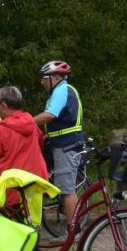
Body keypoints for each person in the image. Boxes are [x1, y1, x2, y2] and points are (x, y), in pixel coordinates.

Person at [0, 86, 49, 212]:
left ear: (4, 106)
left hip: (9, 191)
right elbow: (40, 143)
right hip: (33, 186)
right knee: (32, 222)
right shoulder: (32, 125)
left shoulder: (1, 130)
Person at [33, 60, 84, 226]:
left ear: (55, 77)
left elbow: (50, 115)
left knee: (67, 191)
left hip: (66, 145)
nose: (42, 82)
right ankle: (74, 230)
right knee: (65, 188)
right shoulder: (61, 90)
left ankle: (73, 232)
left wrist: (25, 122)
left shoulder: (62, 90)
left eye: (44, 78)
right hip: (63, 144)